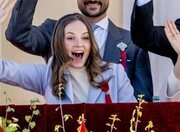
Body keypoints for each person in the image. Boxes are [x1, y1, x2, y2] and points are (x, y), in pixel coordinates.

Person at [6, 0, 153, 102]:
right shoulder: (54, 31)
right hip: (62, 123)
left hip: (112, 125)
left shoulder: (132, 43)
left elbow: (142, 104)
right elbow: (17, 35)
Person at [1, 13, 136, 104]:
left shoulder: (115, 73)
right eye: (70, 38)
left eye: (85, 38)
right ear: (60, 43)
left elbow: (133, 119)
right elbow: (4, 70)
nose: (79, 44)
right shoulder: (47, 74)